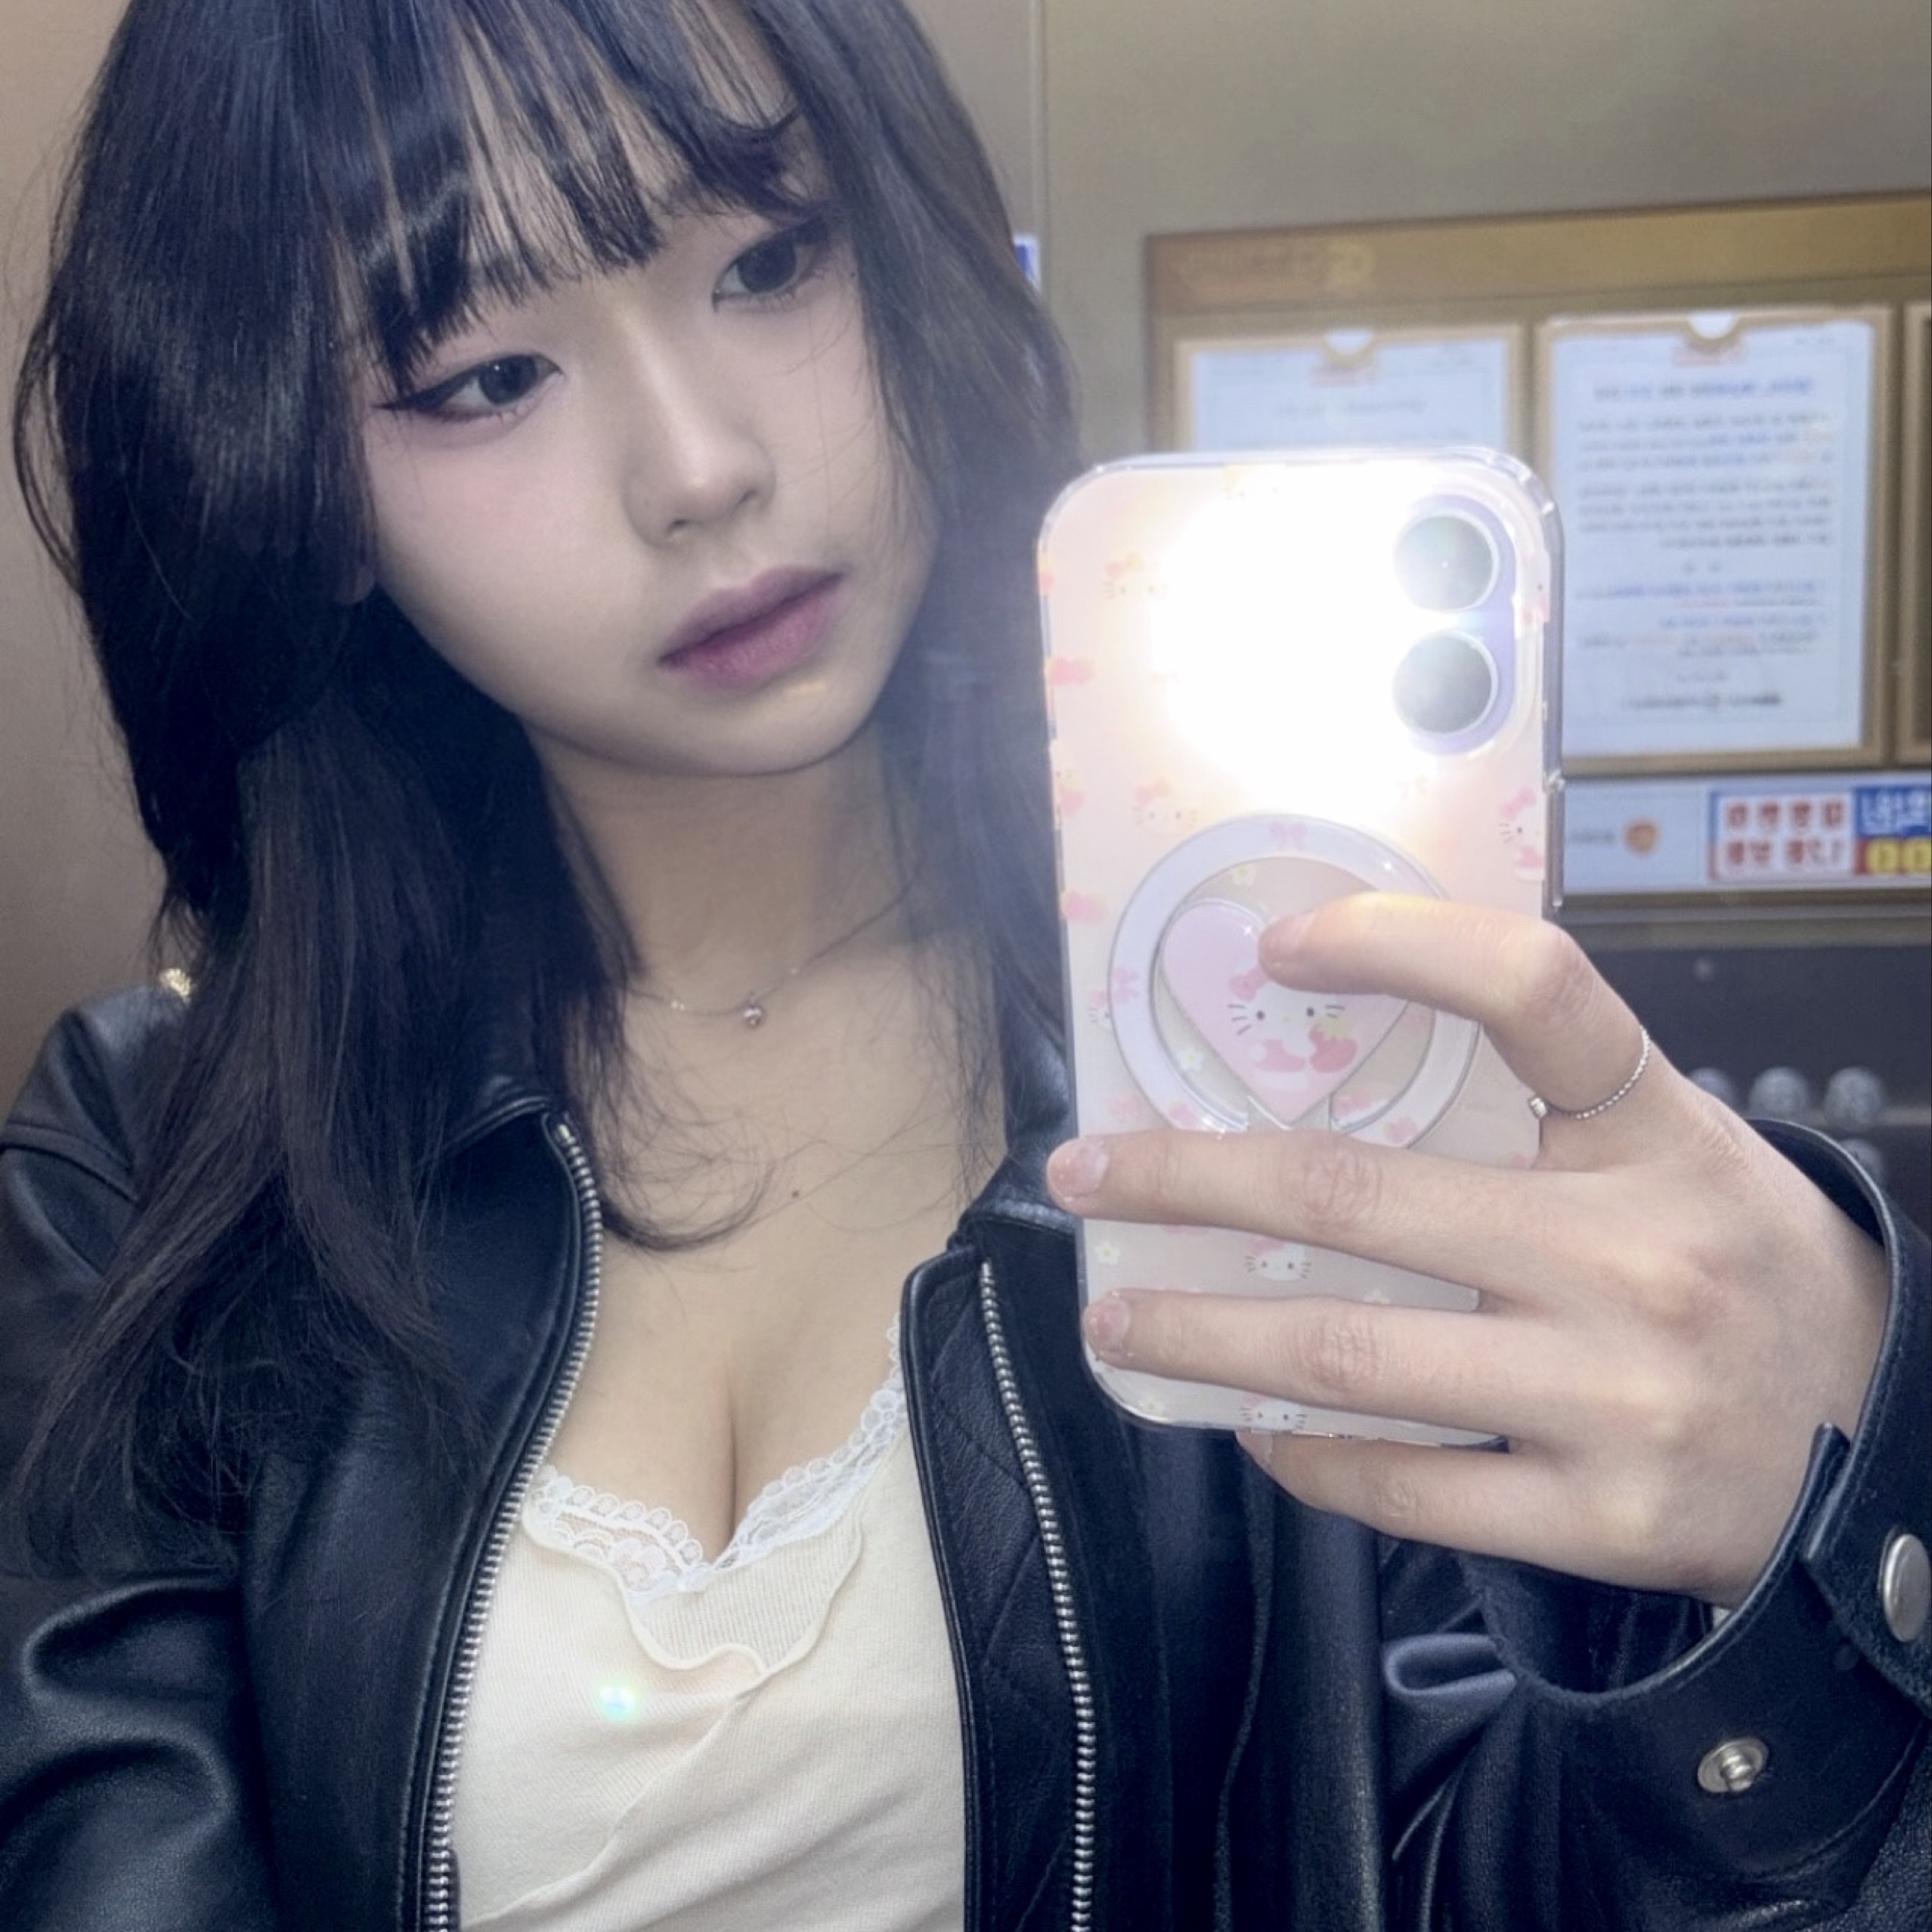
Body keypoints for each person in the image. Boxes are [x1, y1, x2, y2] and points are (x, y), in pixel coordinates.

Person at [0, 1, 1924, 1925]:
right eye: (486, 376)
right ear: (304, 490)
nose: (700, 468)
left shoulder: (1296, 1065)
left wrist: (1814, 1544)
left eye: (771, 259)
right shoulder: (142, 1158)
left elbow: (1473, 1873)